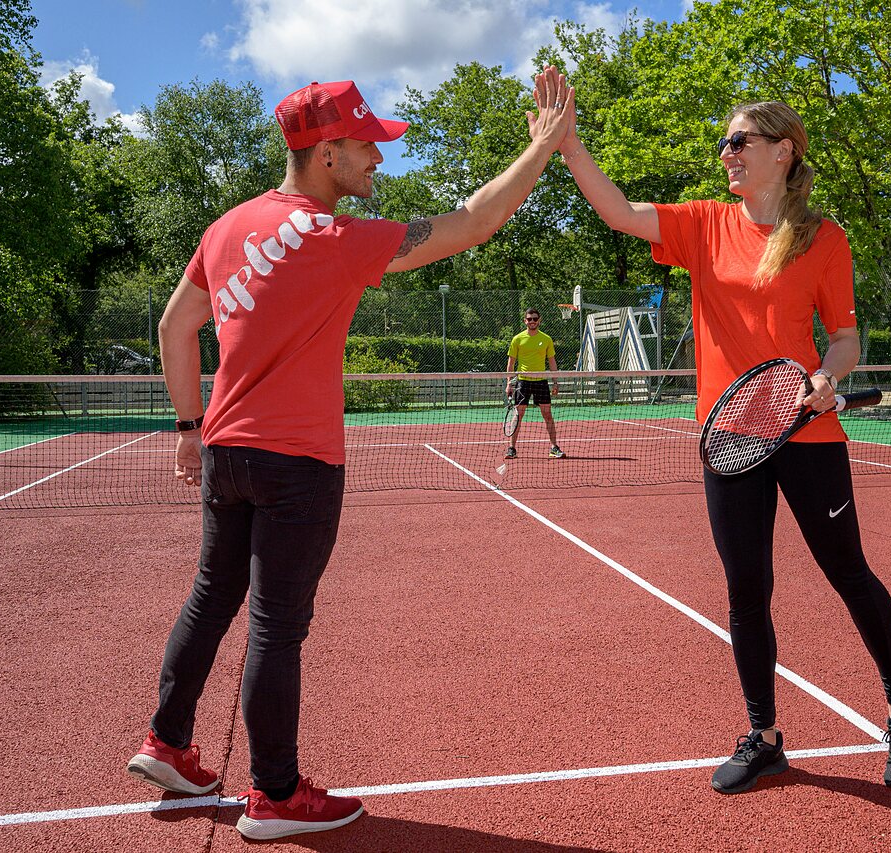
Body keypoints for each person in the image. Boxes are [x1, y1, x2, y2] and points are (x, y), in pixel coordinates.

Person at [125, 68, 574, 841]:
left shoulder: (227, 228)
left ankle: (167, 742)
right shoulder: (334, 237)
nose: (379, 160)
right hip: (296, 459)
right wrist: (541, 148)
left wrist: (188, 427)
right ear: (327, 151)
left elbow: (174, 326)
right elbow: (472, 223)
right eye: (368, 146)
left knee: (212, 596)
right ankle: (273, 795)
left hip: (227, 450)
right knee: (276, 622)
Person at [556, 99, 891, 794]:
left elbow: (845, 337)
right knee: (745, 589)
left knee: (848, 572)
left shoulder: (825, 238)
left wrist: (827, 375)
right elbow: (618, 211)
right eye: (723, 140)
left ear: (784, 150)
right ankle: (763, 736)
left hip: (807, 432)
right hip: (730, 437)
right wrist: (569, 146)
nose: (726, 151)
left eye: (740, 140)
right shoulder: (702, 223)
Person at [504, 308, 565, 459]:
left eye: (535, 319)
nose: (532, 321)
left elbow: (552, 362)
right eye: (529, 319)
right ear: (525, 321)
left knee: (547, 415)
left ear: (539, 320)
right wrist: (509, 383)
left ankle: (554, 448)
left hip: (541, 382)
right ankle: (512, 448)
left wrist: (555, 382)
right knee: (518, 415)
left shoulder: (546, 339)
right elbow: (511, 364)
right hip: (523, 382)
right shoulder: (517, 339)